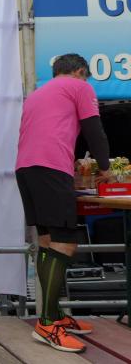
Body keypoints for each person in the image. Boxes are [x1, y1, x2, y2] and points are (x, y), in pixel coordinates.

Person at [16, 53, 115, 353]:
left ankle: (55, 316)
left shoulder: (39, 93)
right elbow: (94, 130)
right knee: (64, 245)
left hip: (26, 168)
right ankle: (47, 324)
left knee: (47, 242)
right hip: (50, 168)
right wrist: (106, 168)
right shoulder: (79, 86)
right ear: (81, 71)